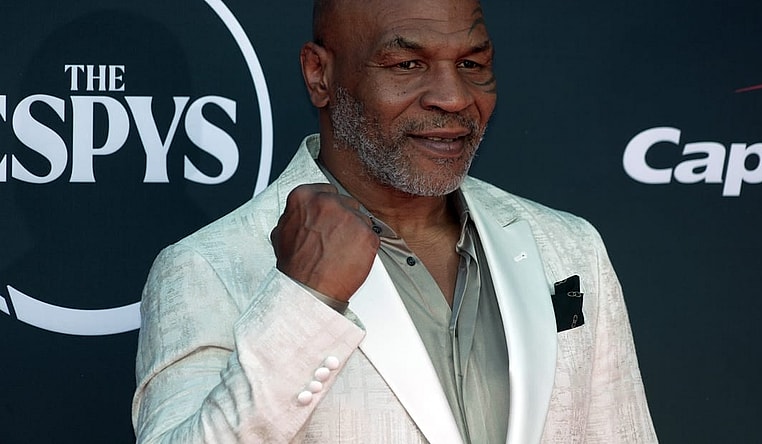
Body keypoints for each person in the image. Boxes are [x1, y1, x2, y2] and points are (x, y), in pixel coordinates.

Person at [132, 0, 657, 442]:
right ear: (319, 74)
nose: (454, 97)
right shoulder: (208, 267)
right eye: (407, 64)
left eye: (471, 63)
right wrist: (306, 302)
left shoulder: (569, 247)